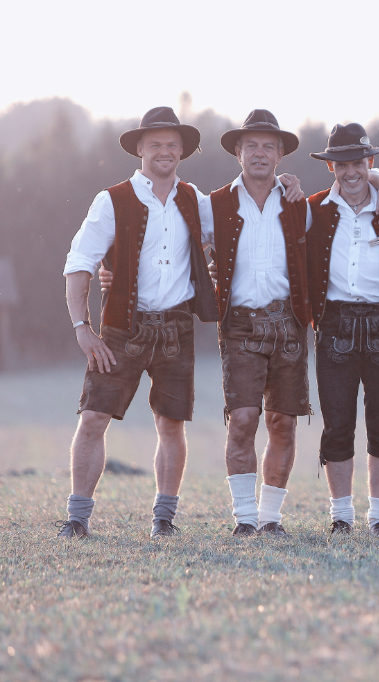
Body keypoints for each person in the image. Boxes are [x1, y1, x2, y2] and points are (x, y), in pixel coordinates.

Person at [58, 106, 217, 539]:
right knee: (93, 417)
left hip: (176, 328)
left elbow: (238, 224)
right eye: (155, 144)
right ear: (140, 149)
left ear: (182, 150)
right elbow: (79, 263)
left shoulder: (195, 200)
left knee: (171, 423)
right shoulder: (112, 199)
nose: (164, 151)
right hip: (121, 328)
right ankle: (77, 518)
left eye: (171, 144)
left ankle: (164, 519)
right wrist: (82, 327)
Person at [306, 123, 379, 536]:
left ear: (370, 163)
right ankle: (340, 516)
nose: (350, 172)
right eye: (341, 164)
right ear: (331, 166)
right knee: (337, 423)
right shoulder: (315, 209)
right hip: (334, 322)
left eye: (358, 163)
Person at [206, 109, 312, 537]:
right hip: (241, 324)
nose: (260, 154)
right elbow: (173, 239)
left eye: (269, 146)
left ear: (282, 154)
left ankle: (271, 518)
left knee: (282, 422)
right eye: (252, 146)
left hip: (288, 323)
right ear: (238, 152)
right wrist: (111, 272)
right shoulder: (213, 203)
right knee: (244, 418)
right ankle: (244, 518)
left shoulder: (298, 204)